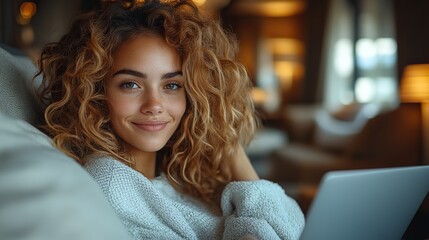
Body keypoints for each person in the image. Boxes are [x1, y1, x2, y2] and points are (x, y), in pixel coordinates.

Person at [36, 0, 305, 239]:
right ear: (95, 92)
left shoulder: (178, 177)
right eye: (131, 85)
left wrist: (226, 142)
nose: (154, 105)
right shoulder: (112, 182)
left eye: (172, 86)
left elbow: (289, 220)